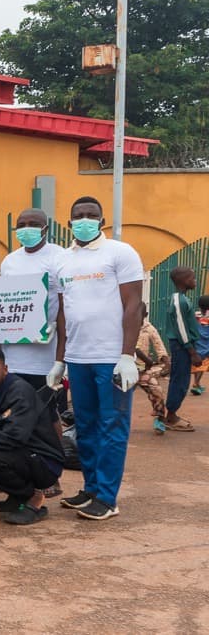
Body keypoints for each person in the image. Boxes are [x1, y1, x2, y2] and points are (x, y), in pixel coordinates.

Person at [51, 196, 144, 520]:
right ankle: (91, 488)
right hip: (78, 357)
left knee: (112, 426)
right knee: (86, 426)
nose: (85, 220)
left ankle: (107, 497)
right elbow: (63, 313)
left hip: (111, 357)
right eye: (79, 215)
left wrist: (127, 356)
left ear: (101, 220)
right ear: (69, 222)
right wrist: (60, 359)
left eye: (91, 215)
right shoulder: (62, 260)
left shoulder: (120, 253)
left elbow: (134, 305)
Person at [0, 346, 65, 525]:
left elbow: (15, 436)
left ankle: (34, 499)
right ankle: (18, 497)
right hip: (18, 455)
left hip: (43, 461)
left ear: (5, 369)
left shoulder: (20, 391)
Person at [0, 209, 67, 389]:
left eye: (34, 225)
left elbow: (65, 307)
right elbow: (0, 302)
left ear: (45, 229)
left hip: (46, 358)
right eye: (21, 225)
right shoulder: (9, 261)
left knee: (48, 414)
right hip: (13, 358)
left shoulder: (60, 257)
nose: (26, 229)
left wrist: (61, 358)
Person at [162, 266, 202, 431]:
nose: (195, 281)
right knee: (180, 380)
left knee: (182, 380)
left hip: (183, 345)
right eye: (192, 278)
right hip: (181, 346)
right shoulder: (179, 300)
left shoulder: (183, 299)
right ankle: (171, 416)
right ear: (183, 280)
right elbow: (181, 327)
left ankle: (172, 413)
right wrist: (191, 351)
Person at [135, 304, 171, 434]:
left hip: (143, 371)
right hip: (126, 370)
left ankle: (160, 419)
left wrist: (166, 362)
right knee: (115, 397)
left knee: (157, 391)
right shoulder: (124, 327)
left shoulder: (148, 329)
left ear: (145, 315)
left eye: (138, 315)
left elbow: (159, 346)